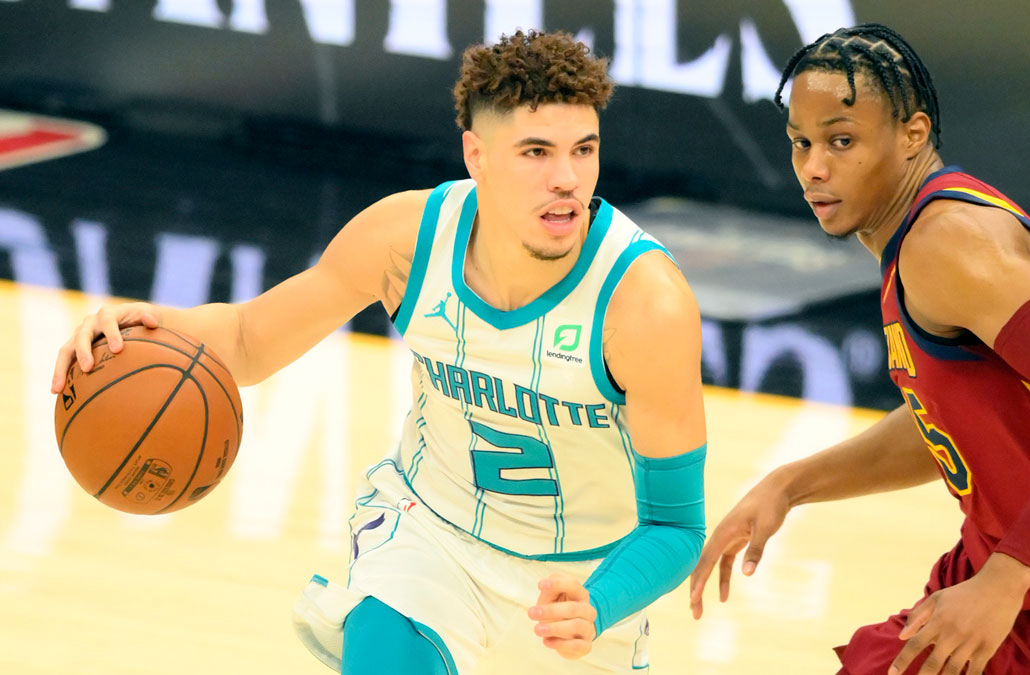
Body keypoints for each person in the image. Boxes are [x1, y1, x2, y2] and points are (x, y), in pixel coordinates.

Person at [50, 30, 708, 674]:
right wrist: (148, 325)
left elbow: (676, 526)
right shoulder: (405, 240)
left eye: (583, 149)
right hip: (432, 543)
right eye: (536, 151)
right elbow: (251, 341)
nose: (567, 178)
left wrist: (601, 599)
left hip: (581, 582)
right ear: (476, 155)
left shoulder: (646, 303)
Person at [689, 23, 1030, 675]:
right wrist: (790, 483)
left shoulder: (945, 243)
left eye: (842, 141)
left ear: (912, 134)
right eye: (801, 143)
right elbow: (955, 421)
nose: (814, 167)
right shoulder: (915, 238)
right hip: (1026, 585)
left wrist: (1008, 574)